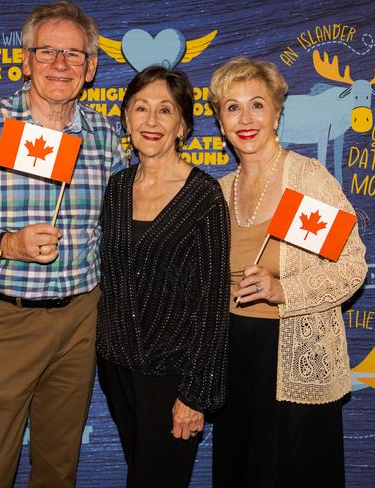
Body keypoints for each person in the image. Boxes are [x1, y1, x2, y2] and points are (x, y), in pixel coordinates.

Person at [0, 2, 127, 487]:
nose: (60, 64)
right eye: (48, 51)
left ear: (91, 67)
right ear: (26, 60)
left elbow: (121, 224)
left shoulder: (102, 137)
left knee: (59, 465)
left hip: (80, 320)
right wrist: (5, 243)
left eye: (74, 55)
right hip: (5, 319)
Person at [209, 57, 368, 487]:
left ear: (277, 112)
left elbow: (352, 267)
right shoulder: (219, 191)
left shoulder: (306, 180)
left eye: (256, 105)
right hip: (234, 357)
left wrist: (284, 290)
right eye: (232, 107)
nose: (245, 118)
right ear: (220, 122)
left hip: (293, 352)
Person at [96, 66, 230, 488]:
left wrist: (196, 392)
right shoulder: (115, 189)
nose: (151, 121)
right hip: (116, 367)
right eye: (141, 109)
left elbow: (213, 301)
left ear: (183, 126)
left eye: (165, 110)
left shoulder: (204, 195)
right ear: (126, 120)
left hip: (174, 376)